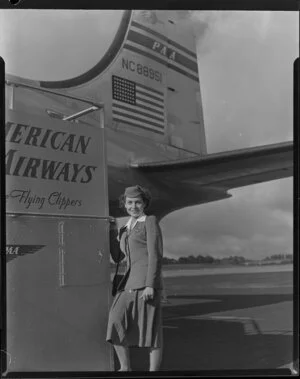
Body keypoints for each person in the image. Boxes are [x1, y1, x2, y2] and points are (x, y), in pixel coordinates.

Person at [106, 185, 164, 371]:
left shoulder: (150, 221)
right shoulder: (125, 228)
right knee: (115, 320)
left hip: (146, 283)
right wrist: (112, 229)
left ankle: (153, 372)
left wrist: (151, 285)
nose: (133, 206)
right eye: (130, 202)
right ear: (124, 204)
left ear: (144, 203)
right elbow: (117, 257)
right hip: (127, 284)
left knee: (151, 330)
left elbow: (155, 255)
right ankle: (125, 368)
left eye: (138, 202)